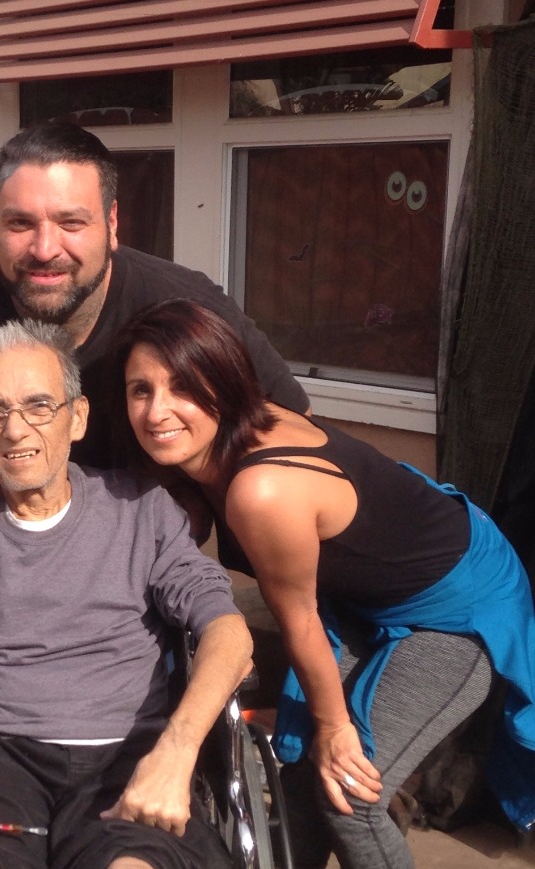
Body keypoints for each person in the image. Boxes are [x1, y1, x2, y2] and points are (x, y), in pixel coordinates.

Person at [115, 298, 535, 869]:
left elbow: (300, 620)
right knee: (300, 780)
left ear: (224, 385)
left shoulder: (262, 490)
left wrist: (336, 729)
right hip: (369, 594)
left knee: (350, 796)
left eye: (183, 386)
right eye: (141, 390)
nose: (157, 410)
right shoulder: (223, 436)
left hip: (461, 606)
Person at [0, 319, 253, 869]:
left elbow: (228, 631)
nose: (15, 431)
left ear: (77, 417)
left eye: (39, 406)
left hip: (126, 754)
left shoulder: (142, 511)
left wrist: (179, 751)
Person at [0, 121, 310, 557]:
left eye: (71, 223)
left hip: (146, 590)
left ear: (112, 224)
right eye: (20, 223)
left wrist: (208, 491)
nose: (45, 249)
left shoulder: (185, 308)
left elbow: (295, 430)